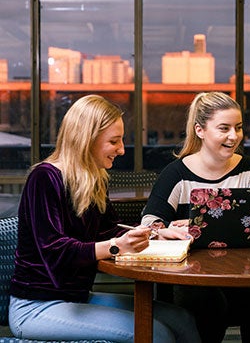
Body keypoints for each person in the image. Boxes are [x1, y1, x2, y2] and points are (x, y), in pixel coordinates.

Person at [9, 94, 200, 343]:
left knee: (182, 319)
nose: (121, 150)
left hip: (77, 297)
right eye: (114, 141)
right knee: (157, 333)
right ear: (86, 139)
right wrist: (115, 246)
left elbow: (109, 230)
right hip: (36, 307)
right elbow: (54, 252)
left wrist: (154, 233)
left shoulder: (93, 179)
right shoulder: (45, 178)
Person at [141, 91, 250, 343]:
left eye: (238, 128)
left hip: (244, 275)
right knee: (207, 305)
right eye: (224, 128)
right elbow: (149, 222)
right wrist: (164, 230)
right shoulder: (176, 174)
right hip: (190, 277)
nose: (233, 136)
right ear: (200, 130)